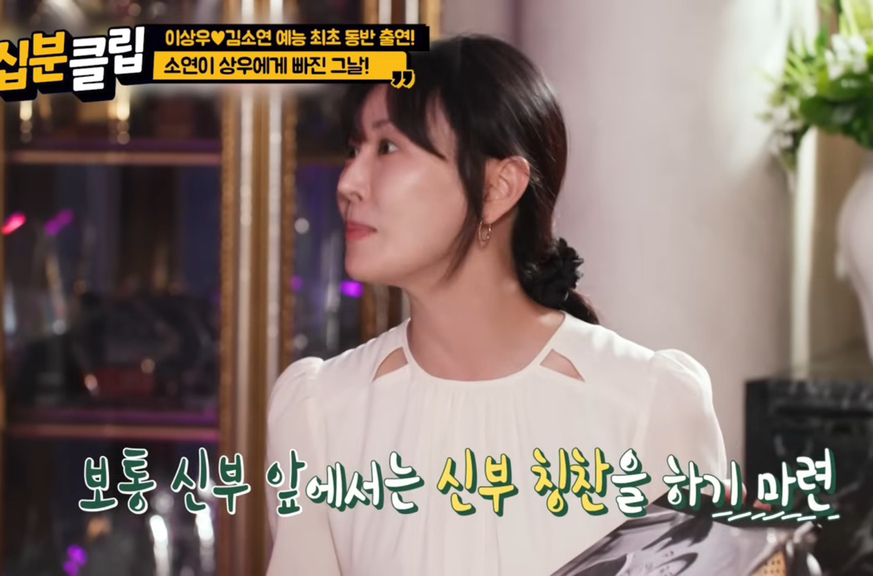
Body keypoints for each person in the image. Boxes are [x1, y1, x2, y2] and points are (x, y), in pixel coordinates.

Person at [265, 34, 727, 576]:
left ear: (497, 187)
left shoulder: (650, 405)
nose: (348, 182)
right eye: (353, 149)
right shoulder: (319, 412)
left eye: (387, 148)